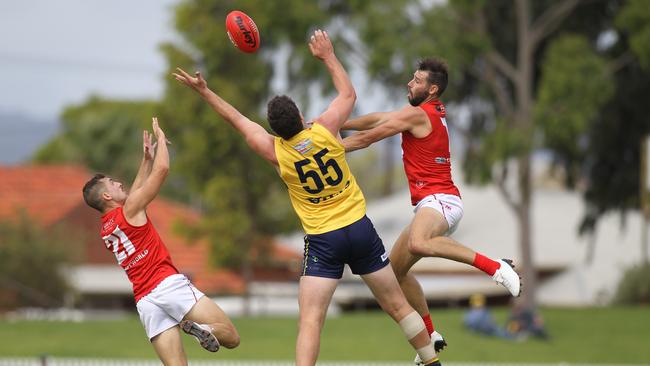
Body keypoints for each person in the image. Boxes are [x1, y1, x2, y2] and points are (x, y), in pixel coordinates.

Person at [173, 30, 440, 366]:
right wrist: (327, 55)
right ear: (301, 116)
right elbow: (348, 93)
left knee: (311, 321)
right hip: (359, 229)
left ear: (274, 128)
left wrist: (205, 91)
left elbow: (239, 121)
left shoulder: (274, 151)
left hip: (323, 240)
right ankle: (432, 362)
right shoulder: (325, 127)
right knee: (398, 306)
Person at [341, 57, 522, 362]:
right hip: (431, 203)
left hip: (441, 201)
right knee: (394, 274)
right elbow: (377, 119)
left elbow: (370, 137)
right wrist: (332, 123)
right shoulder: (423, 112)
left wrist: (324, 144)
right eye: (412, 78)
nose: (410, 84)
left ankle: (495, 267)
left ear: (432, 89)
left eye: (417, 80)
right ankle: (431, 333)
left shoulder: (419, 115)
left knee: (418, 242)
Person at [82, 118, 240, 365]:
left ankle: (203, 330)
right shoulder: (130, 210)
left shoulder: (106, 228)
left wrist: (145, 160)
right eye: (113, 183)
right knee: (230, 336)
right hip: (167, 284)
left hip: (145, 301)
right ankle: (205, 330)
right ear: (106, 195)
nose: (118, 183)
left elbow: (133, 196)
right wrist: (162, 141)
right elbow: (163, 169)